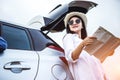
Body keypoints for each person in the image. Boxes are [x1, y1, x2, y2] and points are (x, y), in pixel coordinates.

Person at [62, 12, 108, 80]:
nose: (74, 23)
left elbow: (96, 62)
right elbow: (71, 57)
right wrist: (82, 44)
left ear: (82, 25)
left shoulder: (87, 42)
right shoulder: (68, 37)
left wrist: (107, 53)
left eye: (77, 21)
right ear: (69, 26)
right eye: (71, 22)